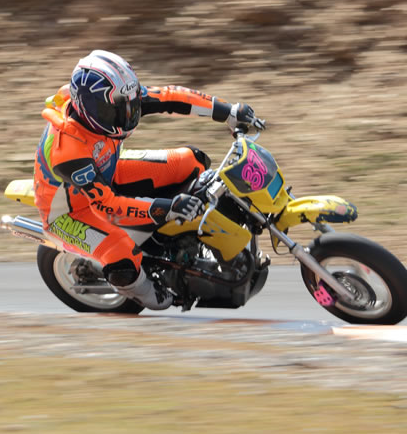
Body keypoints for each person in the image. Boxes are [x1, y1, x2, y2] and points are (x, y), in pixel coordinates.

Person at [33, 50, 260, 310]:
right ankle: (143, 289)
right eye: (119, 109)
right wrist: (167, 208)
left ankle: (178, 238)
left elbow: (169, 97)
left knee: (192, 161)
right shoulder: (68, 152)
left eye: (131, 103)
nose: (129, 113)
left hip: (107, 170)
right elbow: (106, 205)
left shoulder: (115, 100)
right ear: (91, 108)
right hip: (71, 212)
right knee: (123, 257)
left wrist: (228, 111)